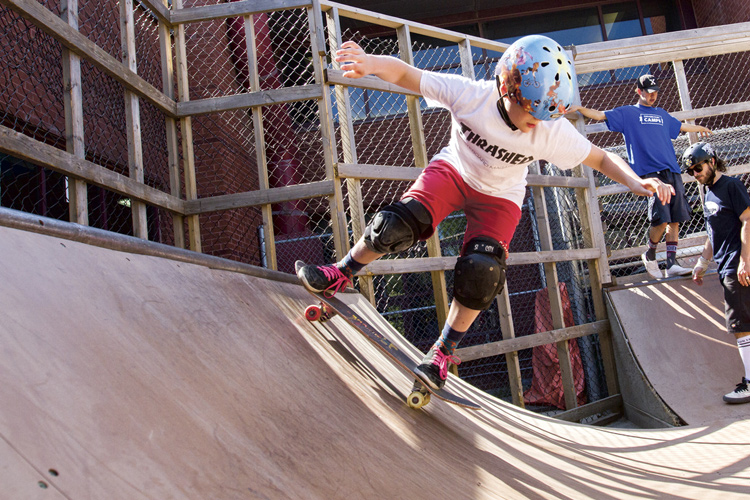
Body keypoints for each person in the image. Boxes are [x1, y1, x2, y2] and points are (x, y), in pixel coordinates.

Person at [297, 35, 673, 391]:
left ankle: (442, 352)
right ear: (505, 88)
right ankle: (341, 274)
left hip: (501, 198)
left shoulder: (549, 131)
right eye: (530, 111)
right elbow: (408, 74)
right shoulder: (470, 95)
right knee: (396, 224)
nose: (536, 123)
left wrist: (638, 181)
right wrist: (371, 63)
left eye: (546, 114)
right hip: (454, 173)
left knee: (483, 271)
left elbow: (600, 157)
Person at [567, 74, 712, 279]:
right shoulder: (628, 113)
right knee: (660, 220)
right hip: (650, 174)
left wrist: (700, 128)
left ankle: (671, 263)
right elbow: (600, 115)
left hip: (672, 170)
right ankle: (650, 253)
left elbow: (680, 127)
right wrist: (580, 109)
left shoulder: (661, 114)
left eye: (655, 92)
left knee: (675, 220)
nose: (653, 96)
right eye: (648, 92)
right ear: (639, 91)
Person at [684, 142, 750, 404]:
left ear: (711, 161)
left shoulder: (731, 186)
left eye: (698, 168)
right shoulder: (709, 194)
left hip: (737, 264)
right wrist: (702, 262)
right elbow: (713, 233)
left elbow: (747, 219)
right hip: (724, 265)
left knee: (740, 325)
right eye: (691, 172)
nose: (695, 174)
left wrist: (745, 260)